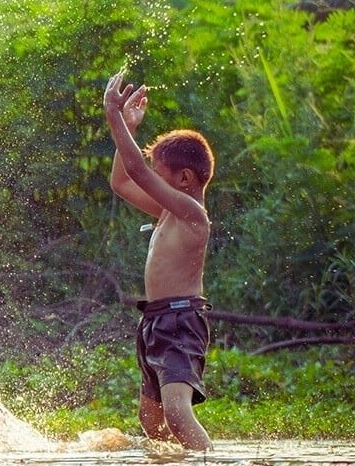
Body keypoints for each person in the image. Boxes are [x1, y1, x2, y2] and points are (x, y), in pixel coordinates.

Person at [101, 70, 214, 451]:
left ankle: (208, 459)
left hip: (181, 321)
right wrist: (129, 128)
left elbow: (136, 171)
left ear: (183, 179)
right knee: (152, 421)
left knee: (178, 415)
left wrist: (114, 115)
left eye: (159, 176)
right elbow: (121, 181)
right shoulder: (168, 211)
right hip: (156, 319)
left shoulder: (192, 215)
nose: (153, 180)